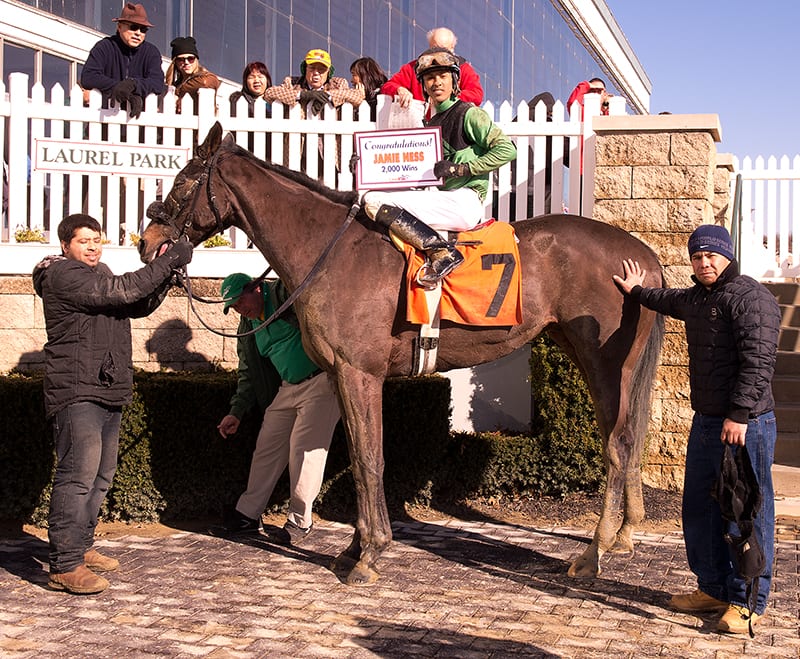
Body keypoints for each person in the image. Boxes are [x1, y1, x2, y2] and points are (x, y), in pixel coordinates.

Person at [612, 224, 780, 635]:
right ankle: (714, 589)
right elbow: (667, 300)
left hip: (746, 425)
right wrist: (636, 292)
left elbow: (759, 362)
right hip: (707, 421)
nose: (704, 263)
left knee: (746, 512)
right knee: (699, 509)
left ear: (728, 256)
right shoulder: (699, 298)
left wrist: (739, 414)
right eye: (697, 257)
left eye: (711, 256)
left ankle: (747, 601)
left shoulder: (751, 298)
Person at [32, 213, 193, 594]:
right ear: (65, 245)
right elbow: (120, 291)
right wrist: (167, 262)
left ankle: (80, 548)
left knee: (101, 477)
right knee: (78, 475)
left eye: (97, 240)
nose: (92, 246)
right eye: (84, 240)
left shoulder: (98, 273)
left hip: (107, 386)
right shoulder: (62, 275)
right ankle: (64, 564)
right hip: (77, 389)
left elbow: (133, 302)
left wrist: (165, 275)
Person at [361, 48, 516, 288]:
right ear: (423, 84)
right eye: (430, 78)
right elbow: (404, 167)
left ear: (454, 81)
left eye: (443, 76)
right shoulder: (428, 123)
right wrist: (364, 164)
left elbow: (507, 150)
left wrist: (461, 169)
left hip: (464, 200)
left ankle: (443, 254)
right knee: (372, 198)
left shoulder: (469, 113)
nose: (436, 83)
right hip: (439, 199)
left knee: (373, 201)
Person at [213, 273, 340, 544]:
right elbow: (247, 371)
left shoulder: (283, 296)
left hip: (321, 382)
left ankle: (300, 521)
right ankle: (247, 515)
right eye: (233, 307)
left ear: (256, 289)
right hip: (287, 388)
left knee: (305, 450)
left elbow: (302, 278)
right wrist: (236, 411)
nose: (239, 309)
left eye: (239, 302)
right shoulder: (247, 324)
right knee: (267, 447)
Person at [80, 3, 166, 117]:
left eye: (143, 29)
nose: (138, 33)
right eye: (133, 27)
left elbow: (157, 82)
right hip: (104, 121)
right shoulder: (104, 47)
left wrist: (133, 84)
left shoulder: (151, 52)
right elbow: (88, 76)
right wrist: (118, 87)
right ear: (119, 27)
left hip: (139, 124)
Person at [380, 27, 483, 109]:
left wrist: (447, 98)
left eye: (444, 49)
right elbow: (387, 86)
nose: (439, 53)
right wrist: (399, 89)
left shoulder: (463, 68)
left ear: (452, 48)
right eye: (435, 48)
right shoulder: (413, 68)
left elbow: (476, 95)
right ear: (430, 46)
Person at [264, 48, 364, 117]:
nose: (316, 73)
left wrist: (326, 95)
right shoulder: (291, 83)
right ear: (305, 69)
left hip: (328, 142)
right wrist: (303, 95)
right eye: (312, 68)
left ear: (328, 72)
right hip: (297, 142)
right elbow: (269, 93)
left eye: (321, 70)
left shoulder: (338, 84)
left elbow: (358, 96)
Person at [165, 36, 220, 114]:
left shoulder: (205, 77)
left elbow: (207, 82)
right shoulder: (175, 84)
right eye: (181, 59)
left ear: (196, 60)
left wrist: (178, 93)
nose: (186, 62)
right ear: (175, 62)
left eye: (190, 58)